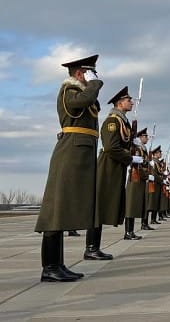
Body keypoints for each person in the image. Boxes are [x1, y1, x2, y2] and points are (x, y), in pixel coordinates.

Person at [35, 54, 102, 282]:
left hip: (79, 153)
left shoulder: (82, 93)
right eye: (90, 72)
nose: (95, 77)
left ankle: (58, 264)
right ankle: (50, 266)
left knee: (62, 212)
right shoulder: (68, 91)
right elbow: (80, 103)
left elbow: (91, 104)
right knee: (56, 211)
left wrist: (92, 84)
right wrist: (94, 83)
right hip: (69, 154)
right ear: (79, 74)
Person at [88, 86, 137, 260]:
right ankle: (91, 248)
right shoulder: (112, 121)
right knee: (99, 207)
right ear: (120, 102)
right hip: (108, 167)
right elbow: (110, 147)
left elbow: (122, 142)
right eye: (129, 100)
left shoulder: (122, 121)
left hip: (116, 167)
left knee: (104, 206)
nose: (131, 102)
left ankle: (95, 247)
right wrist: (130, 158)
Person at [124, 127, 149, 240]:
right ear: (139, 137)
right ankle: (128, 232)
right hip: (135, 179)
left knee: (134, 206)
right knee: (131, 206)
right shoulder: (136, 148)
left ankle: (131, 231)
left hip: (140, 179)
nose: (147, 138)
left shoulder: (142, 149)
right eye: (145, 136)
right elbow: (136, 163)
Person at [145, 146, 162, 227]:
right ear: (155, 154)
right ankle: (146, 222)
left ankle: (153, 219)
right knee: (150, 203)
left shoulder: (157, 162)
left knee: (155, 203)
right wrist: (161, 180)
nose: (161, 154)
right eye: (159, 153)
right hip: (153, 184)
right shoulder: (153, 162)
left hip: (156, 185)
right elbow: (154, 174)